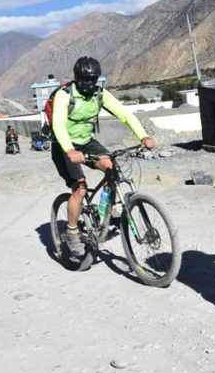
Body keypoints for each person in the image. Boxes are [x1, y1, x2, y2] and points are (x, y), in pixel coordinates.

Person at [51, 56, 156, 256]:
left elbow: (125, 114)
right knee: (80, 189)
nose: (89, 83)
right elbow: (58, 125)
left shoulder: (100, 94)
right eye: (85, 79)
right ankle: (71, 232)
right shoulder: (65, 95)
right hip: (63, 145)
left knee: (112, 169)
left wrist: (143, 136)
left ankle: (105, 212)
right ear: (77, 78)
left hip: (86, 142)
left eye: (93, 79)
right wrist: (70, 150)